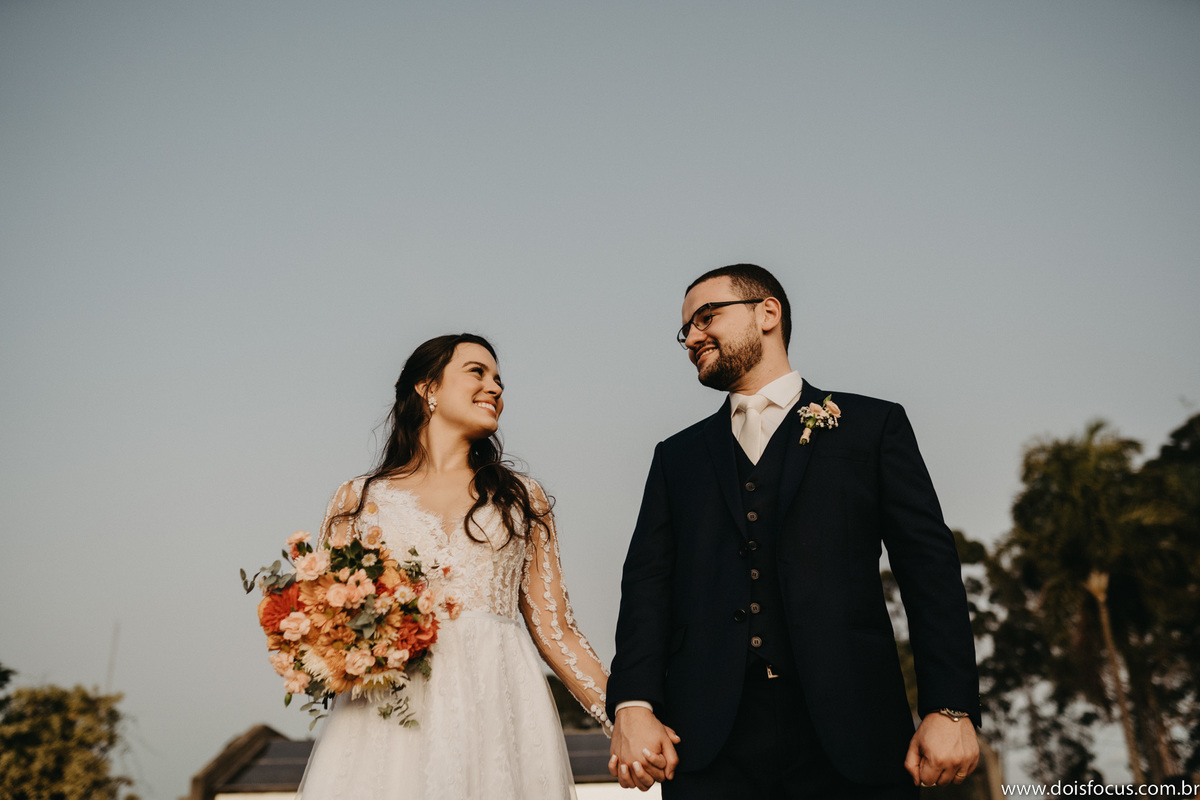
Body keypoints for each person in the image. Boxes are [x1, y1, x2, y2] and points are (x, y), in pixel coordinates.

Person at [606, 265, 981, 799]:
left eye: (706, 317)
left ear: (768, 313)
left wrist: (950, 707)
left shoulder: (872, 426)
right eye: (684, 330)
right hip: (708, 739)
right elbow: (647, 584)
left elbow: (930, 570)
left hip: (855, 728)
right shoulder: (677, 457)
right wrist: (634, 703)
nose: (691, 337)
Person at [296, 333, 610, 800]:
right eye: (477, 372)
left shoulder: (522, 499)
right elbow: (323, 624)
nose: (496, 387)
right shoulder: (362, 500)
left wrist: (625, 716)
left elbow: (556, 629)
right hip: (390, 718)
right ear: (429, 390)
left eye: (499, 379)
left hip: (498, 707)